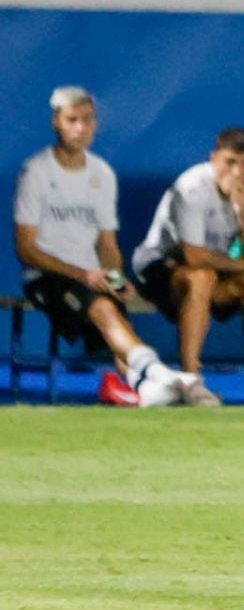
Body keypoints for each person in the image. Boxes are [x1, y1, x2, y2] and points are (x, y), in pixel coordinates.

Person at [13, 86, 190, 407]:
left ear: (95, 124)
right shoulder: (36, 172)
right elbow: (26, 250)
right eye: (72, 120)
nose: (80, 128)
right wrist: (84, 274)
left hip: (91, 277)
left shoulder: (102, 174)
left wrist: (117, 279)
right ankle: (158, 372)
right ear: (57, 122)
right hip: (46, 278)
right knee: (104, 309)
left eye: (86, 120)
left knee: (116, 320)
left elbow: (107, 244)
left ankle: (146, 390)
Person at [129, 128, 244, 406]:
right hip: (158, 266)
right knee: (203, 277)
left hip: (210, 267)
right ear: (214, 160)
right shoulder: (191, 187)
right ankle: (191, 380)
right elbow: (194, 255)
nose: (236, 172)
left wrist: (242, 213)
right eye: (229, 162)